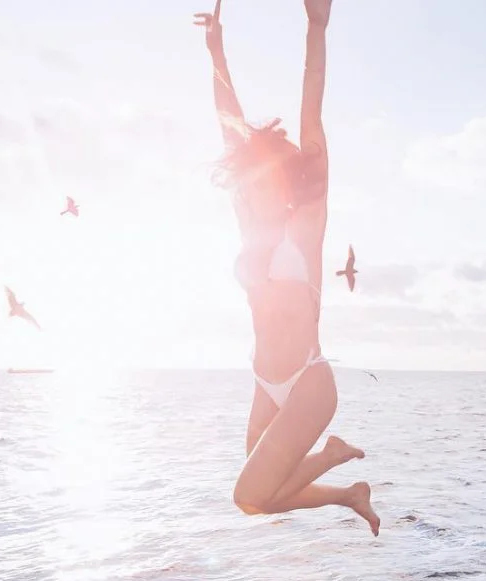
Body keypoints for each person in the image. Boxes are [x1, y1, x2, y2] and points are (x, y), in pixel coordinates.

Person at [194, 0, 379, 535]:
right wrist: (216, 52)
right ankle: (348, 493)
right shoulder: (250, 225)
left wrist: (315, 25)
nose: (252, 189)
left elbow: (311, 113)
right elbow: (227, 121)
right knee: (260, 501)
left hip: (307, 382)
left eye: (265, 178)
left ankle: (332, 458)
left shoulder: (307, 224)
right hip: (264, 380)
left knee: (248, 493)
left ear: (285, 178)